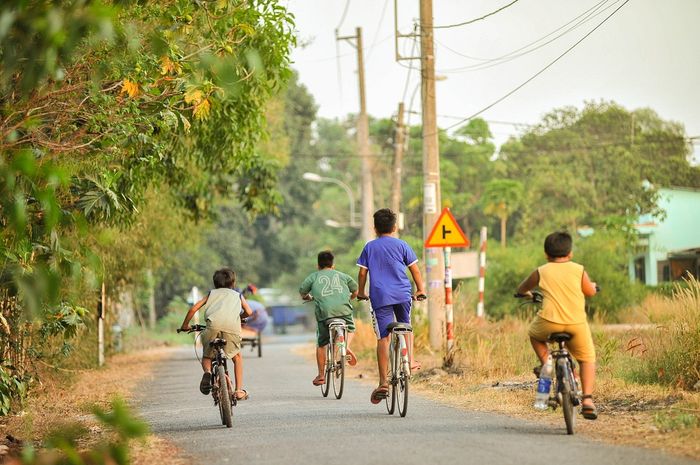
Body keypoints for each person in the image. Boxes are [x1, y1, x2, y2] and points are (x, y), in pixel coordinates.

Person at [516, 231, 599, 420]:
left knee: (534, 334)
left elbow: (522, 288)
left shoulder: (541, 271)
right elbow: (590, 292)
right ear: (570, 253)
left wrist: (526, 293)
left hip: (548, 322)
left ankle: (547, 363)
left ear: (546, 254)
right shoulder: (579, 270)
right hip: (575, 324)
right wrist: (592, 286)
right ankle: (587, 400)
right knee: (587, 358)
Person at [356, 208, 426, 405]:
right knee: (406, 326)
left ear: (375, 228)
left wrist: (361, 292)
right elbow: (415, 270)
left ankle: (383, 382)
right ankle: (410, 361)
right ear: (394, 227)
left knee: (383, 338)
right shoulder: (402, 245)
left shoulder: (369, 247)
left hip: (380, 296)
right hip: (403, 294)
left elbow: (362, 274)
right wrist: (420, 289)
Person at [180, 268, 253, 401]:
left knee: (207, 356)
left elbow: (193, 309)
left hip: (212, 327)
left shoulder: (211, 294)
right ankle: (238, 390)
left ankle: (207, 372)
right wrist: (240, 317)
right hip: (232, 329)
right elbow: (249, 311)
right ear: (233, 283)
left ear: (215, 283)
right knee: (237, 357)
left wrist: (185, 325)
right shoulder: (237, 295)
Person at [299, 250, 359, 387]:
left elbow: (303, 291)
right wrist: (348, 298)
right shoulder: (343, 276)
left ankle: (321, 375)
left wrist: (308, 297)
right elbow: (355, 291)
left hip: (325, 314)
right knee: (351, 328)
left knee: (321, 343)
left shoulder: (313, 277)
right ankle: (346, 346)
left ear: (318, 265)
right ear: (333, 265)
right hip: (344, 310)